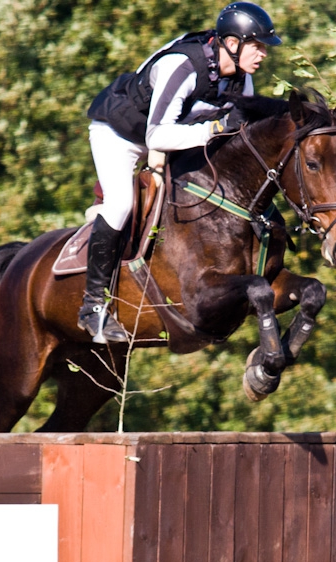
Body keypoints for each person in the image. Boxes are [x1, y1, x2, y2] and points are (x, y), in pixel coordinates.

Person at [78, 2, 282, 343]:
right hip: (121, 134)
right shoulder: (183, 66)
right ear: (233, 44)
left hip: (175, 138)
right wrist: (215, 128)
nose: (263, 54)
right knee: (120, 205)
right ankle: (93, 306)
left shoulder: (241, 81)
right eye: (257, 45)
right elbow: (156, 136)